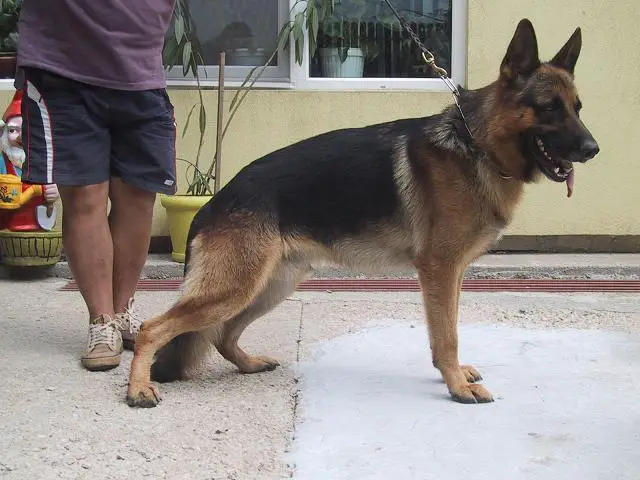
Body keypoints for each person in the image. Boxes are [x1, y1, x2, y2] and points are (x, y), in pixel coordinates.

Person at [15, 1, 178, 371]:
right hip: (63, 70)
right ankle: (102, 321)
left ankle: (122, 312)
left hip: (141, 72)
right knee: (85, 196)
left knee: (139, 195)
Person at [0, 90, 60, 231]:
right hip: (6, 226)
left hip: (37, 223)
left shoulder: (44, 163)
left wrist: (54, 192)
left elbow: (55, 188)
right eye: (13, 130)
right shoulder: (2, 163)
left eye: (26, 130)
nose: (21, 137)